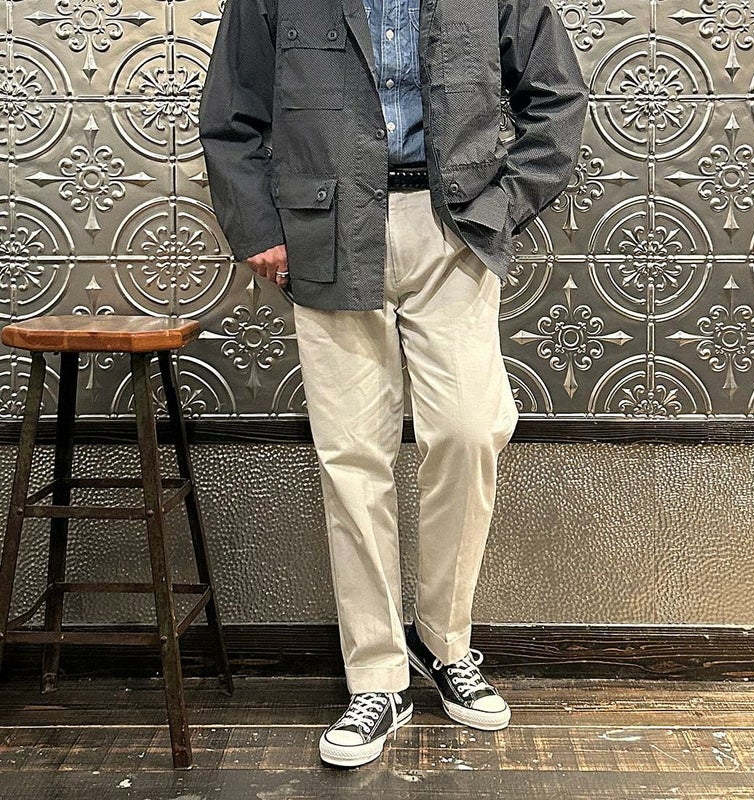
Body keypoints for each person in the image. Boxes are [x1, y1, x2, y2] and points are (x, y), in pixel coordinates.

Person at [199, 0, 588, 769]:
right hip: (328, 227)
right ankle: (376, 677)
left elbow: (557, 97)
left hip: (454, 227)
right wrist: (260, 229)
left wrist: (502, 207)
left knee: (470, 430)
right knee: (352, 456)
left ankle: (445, 643)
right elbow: (229, 117)